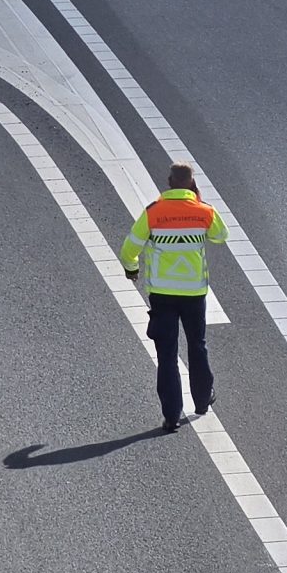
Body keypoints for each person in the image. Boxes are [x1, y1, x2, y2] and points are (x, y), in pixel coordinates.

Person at [119, 163, 228, 432]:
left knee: (167, 354)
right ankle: (203, 401)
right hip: (194, 293)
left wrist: (132, 270)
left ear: (168, 181)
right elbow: (220, 237)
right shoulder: (204, 212)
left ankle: (171, 416)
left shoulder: (154, 213)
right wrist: (198, 202)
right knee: (197, 346)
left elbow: (129, 248)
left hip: (162, 295)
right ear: (192, 184)